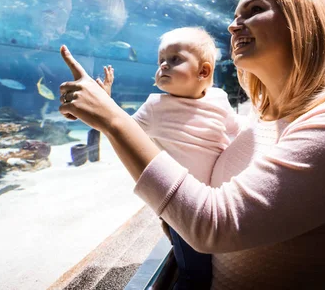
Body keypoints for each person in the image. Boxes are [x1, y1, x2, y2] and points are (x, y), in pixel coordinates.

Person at [57, 0, 325, 289]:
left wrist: (113, 119)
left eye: (254, 10)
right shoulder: (262, 118)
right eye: (236, 17)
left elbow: (215, 225)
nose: (234, 26)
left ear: (306, 22)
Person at [98, 27, 245, 289]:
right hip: (184, 207)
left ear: (204, 72)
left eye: (175, 59)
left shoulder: (219, 98)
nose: (164, 65)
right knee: (196, 274)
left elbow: (239, 134)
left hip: (217, 201)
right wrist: (105, 103)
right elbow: (124, 132)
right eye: (160, 61)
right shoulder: (155, 106)